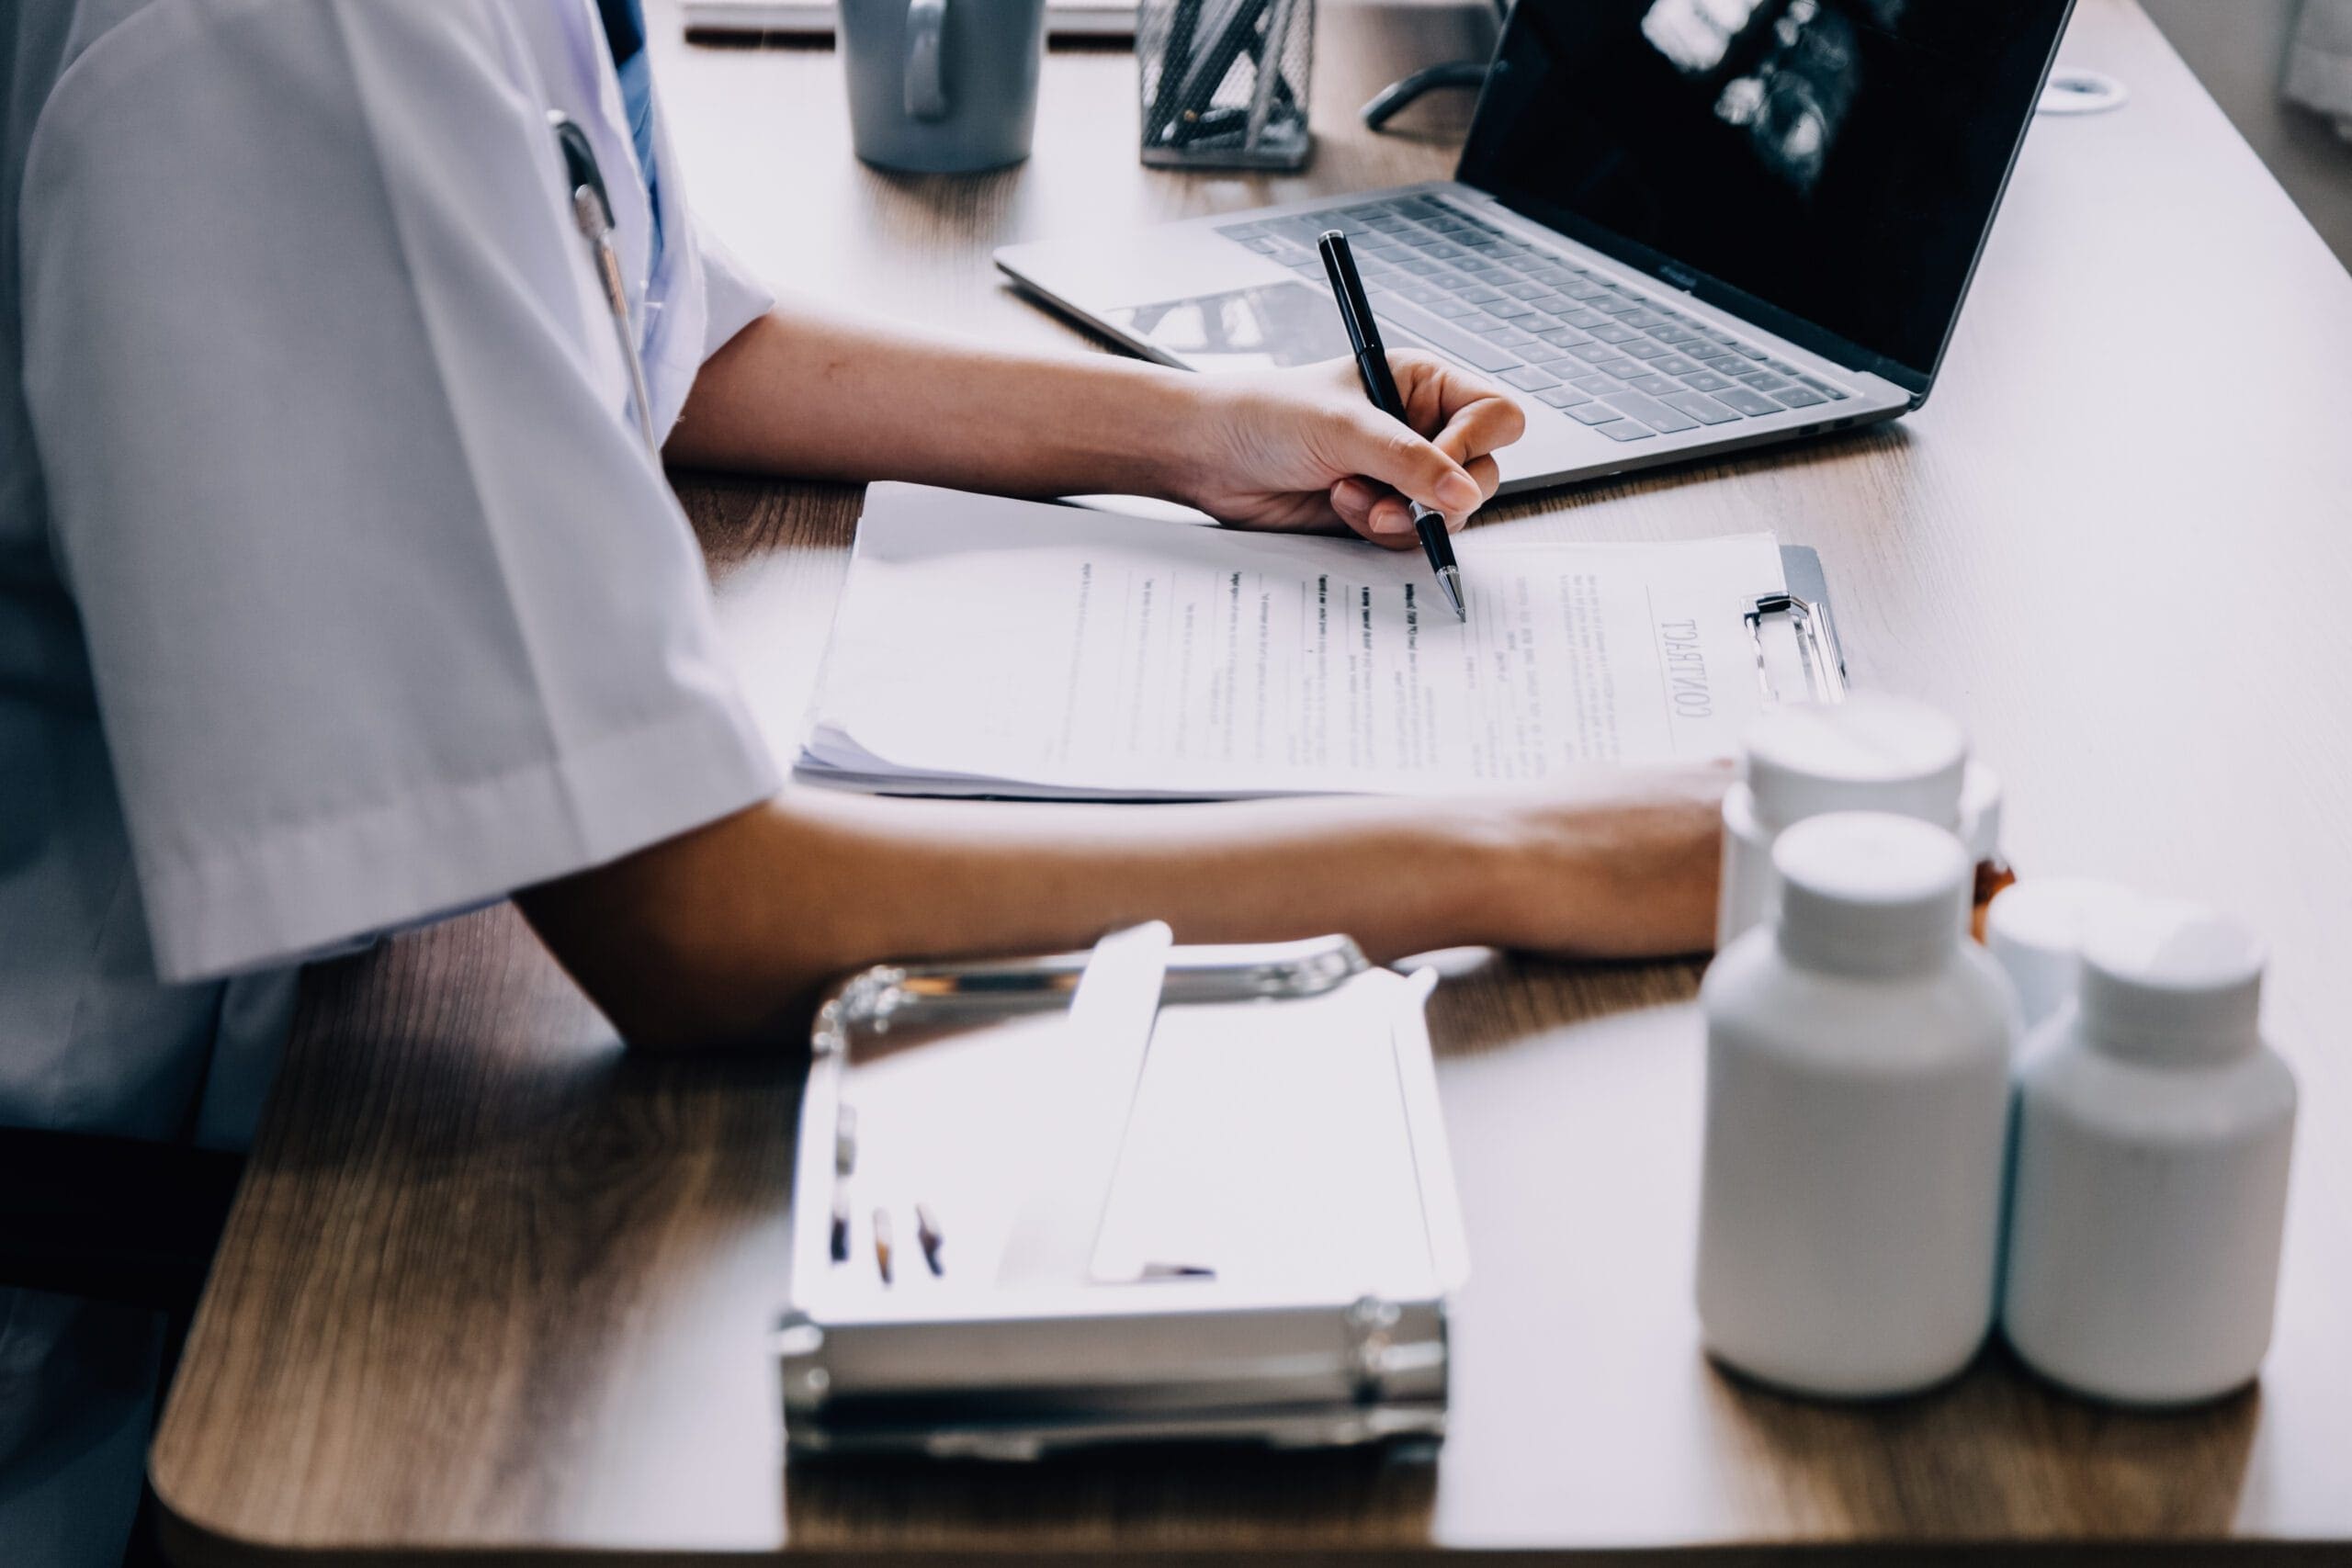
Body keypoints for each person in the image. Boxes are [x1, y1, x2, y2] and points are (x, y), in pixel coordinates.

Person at [0, 2, 1724, 1562]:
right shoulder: (295, 46)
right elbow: (696, 923)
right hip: (145, 1268)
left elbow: (659, 342)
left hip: (303, 1053)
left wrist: (1197, 429)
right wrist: (1526, 852)